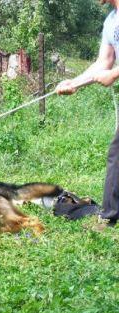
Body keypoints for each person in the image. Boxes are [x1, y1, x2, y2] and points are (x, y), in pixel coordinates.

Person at [56, 0, 119, 229]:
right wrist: (74, 83)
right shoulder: (111, 19)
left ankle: (109, 217)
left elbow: (110, 69)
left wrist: (114, 74)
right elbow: (104, 61)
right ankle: (110, 215)